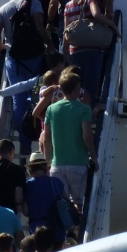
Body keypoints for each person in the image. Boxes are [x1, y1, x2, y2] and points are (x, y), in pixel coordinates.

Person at [0, 0, 56, 155]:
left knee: (18, 100)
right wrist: (49, 44)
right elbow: (38, 26)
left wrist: (0, 47)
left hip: (14, 59)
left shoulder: (4, 9)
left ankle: (25, 144)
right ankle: (40, 135)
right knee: (36, 95)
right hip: (34, 57)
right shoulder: (34, 4)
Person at [43, 68, 97, 208]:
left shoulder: (51, 109)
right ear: (75, 89)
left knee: (62, 204)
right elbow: (87, 136)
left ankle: (66, 229)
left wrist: (47, 161)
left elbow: (46, 138)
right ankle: (77, 229)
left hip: (57, 164)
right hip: (78, 163)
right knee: (78, 203)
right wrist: (93, 157)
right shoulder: (84, 109)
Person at [62, 0, 119, 104]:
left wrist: (65, 54)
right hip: (92, 50)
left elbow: (67, 31)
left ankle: (76, 112)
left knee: (77, 86)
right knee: (91, 86)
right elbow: (96, 14)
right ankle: (89, 114)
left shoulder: (68, 5)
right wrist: (112, 25)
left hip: (75, 50)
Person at [24, 151, 78, 248]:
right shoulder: (56, 182)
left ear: (30, 169)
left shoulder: (27, 186)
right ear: (45, 167)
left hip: (36, 230)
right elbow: (66, 203)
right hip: (56, 229)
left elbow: (26, 211)